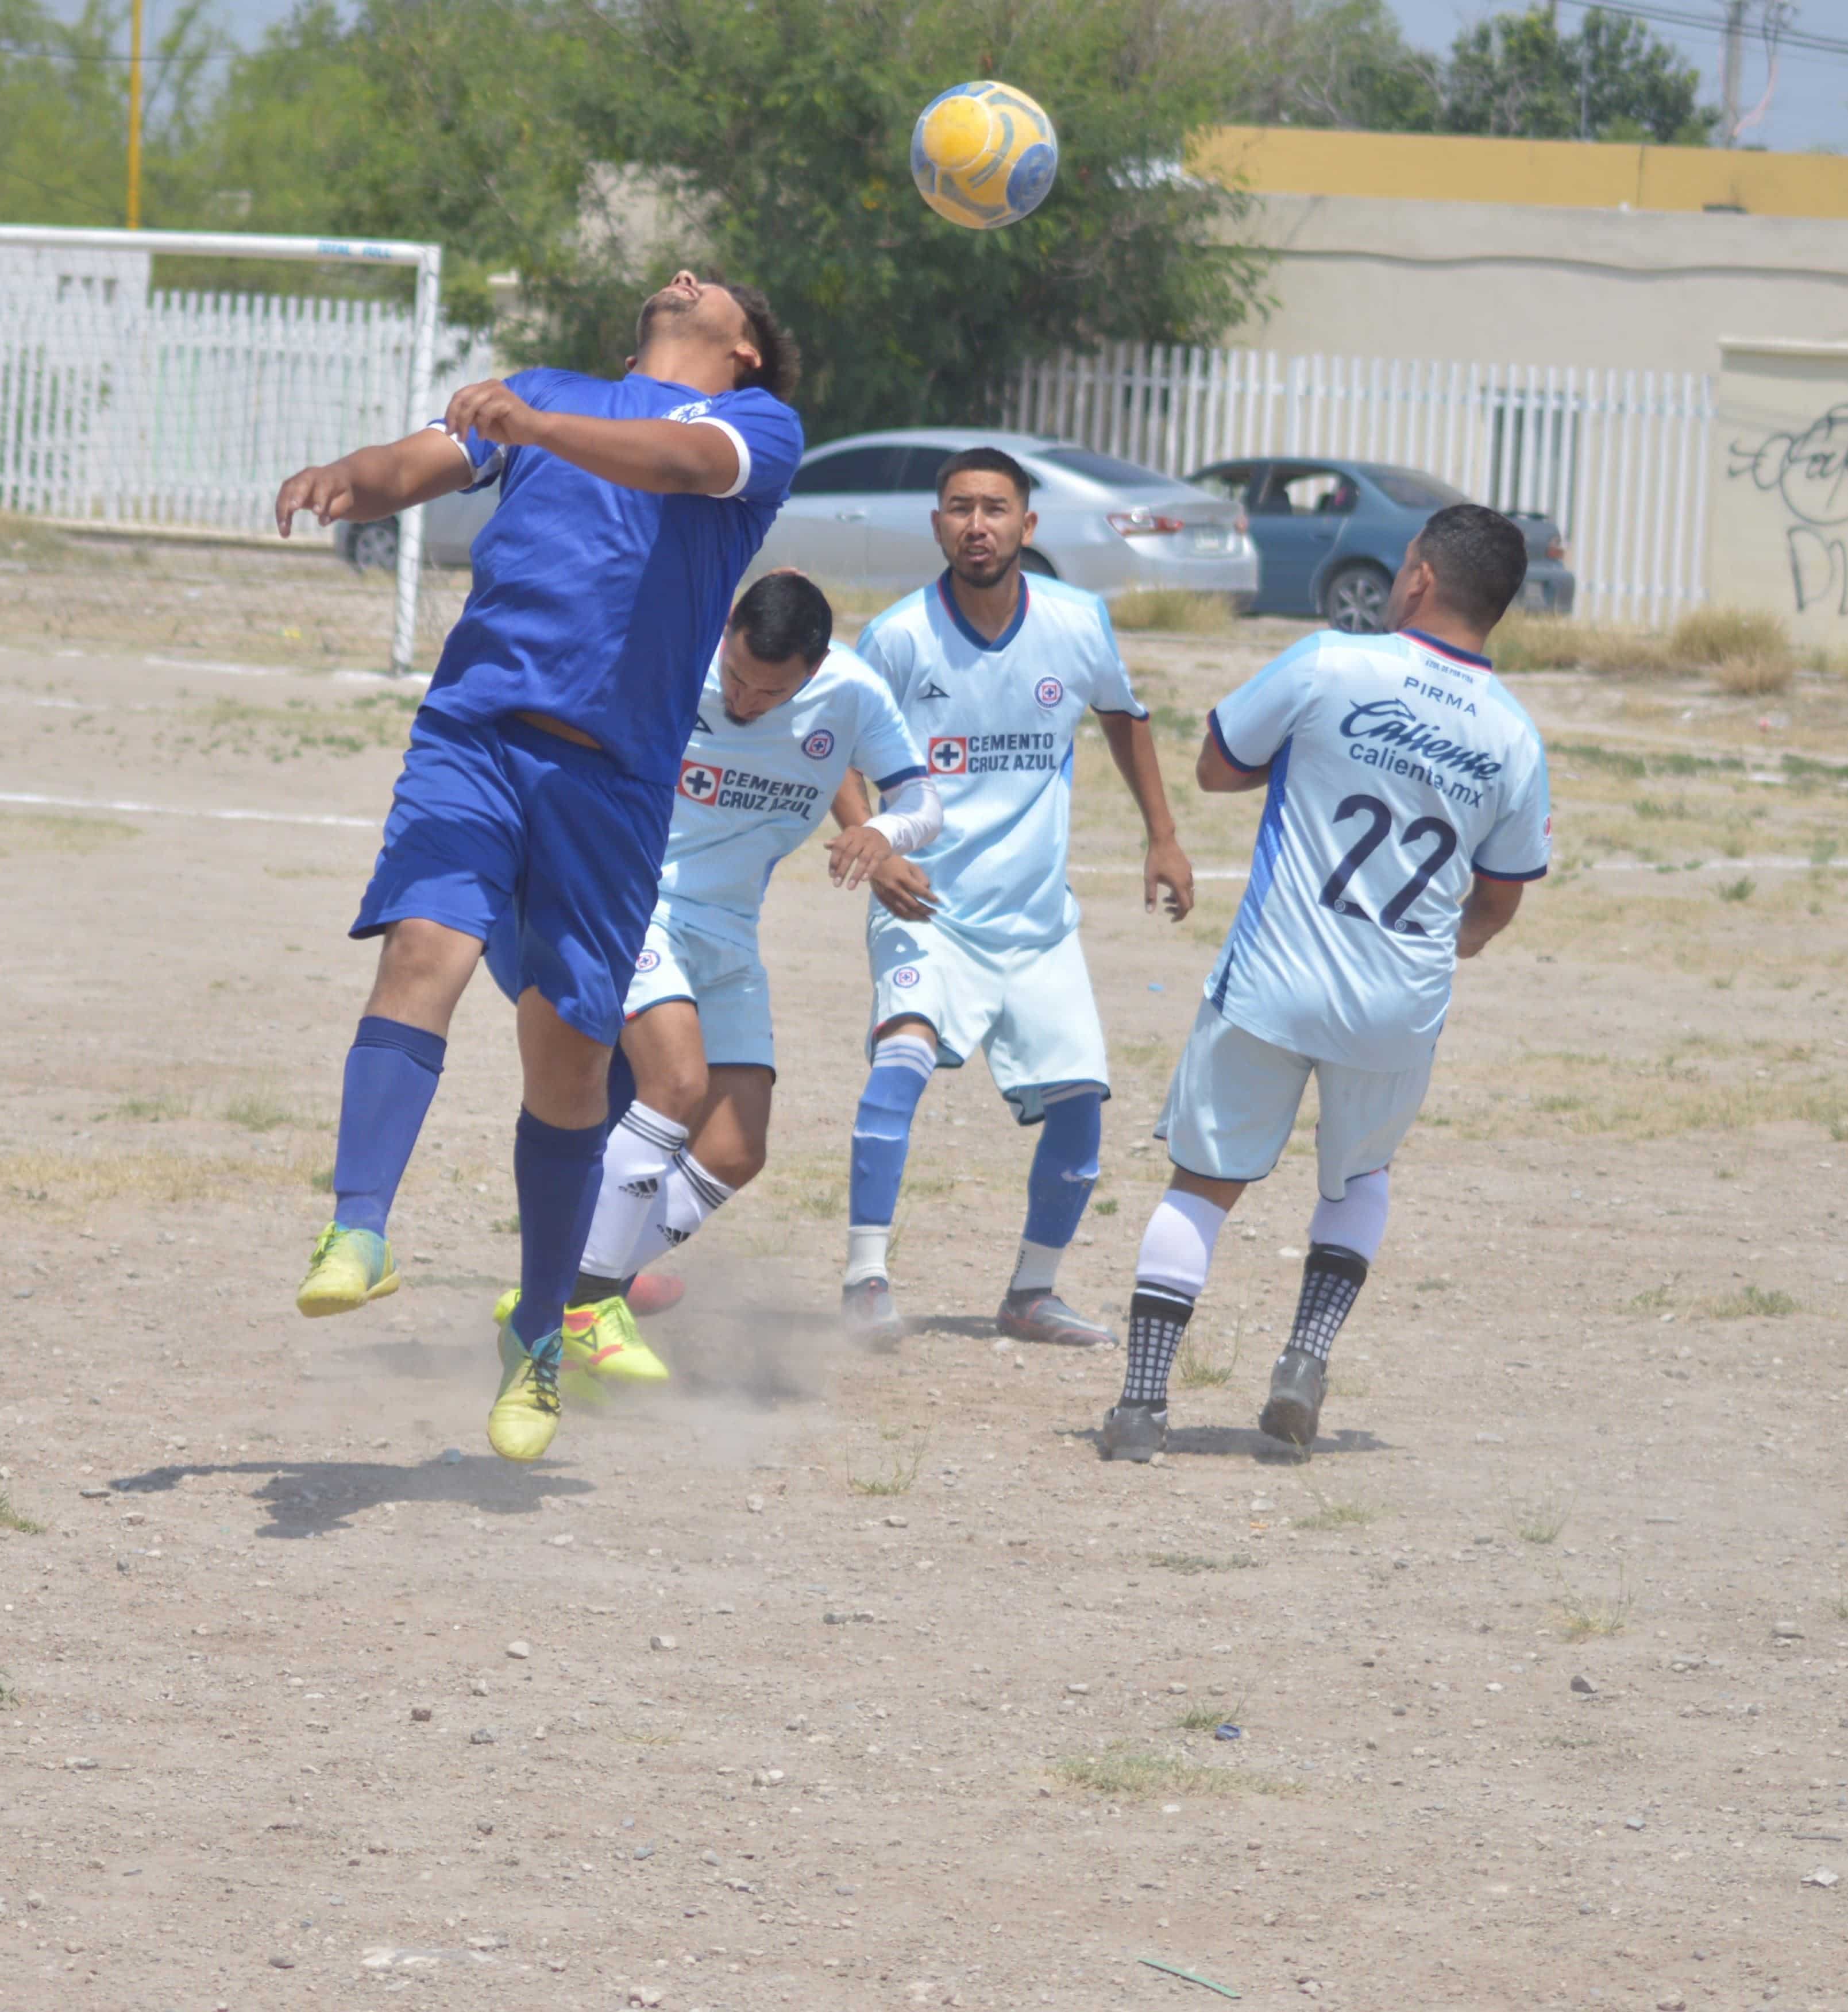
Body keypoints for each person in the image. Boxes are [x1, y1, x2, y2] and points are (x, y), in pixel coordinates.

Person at [272, 270, 803, 1465]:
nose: (683, 276)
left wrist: (526, 425)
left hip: (609, 781)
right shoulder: (543, 393)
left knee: (567, 1067)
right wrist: (351, 476)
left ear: (748, 349)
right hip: (474, 731)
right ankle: (358, 1229)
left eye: (711, 283)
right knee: (424, 948)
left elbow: (670, 466)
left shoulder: (758, 431)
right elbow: (423, 461)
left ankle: (540, 1332)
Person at [1095, 502, 1550, 1462]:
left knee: (1203, 1183)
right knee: (1358, 1178)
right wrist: (1441, 946)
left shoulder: (1331, 661)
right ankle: (1303, 1358)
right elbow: (1501, 901)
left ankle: (1141, 1405)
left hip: (1274, 979)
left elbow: (1219, 767)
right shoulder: (1515, 737)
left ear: (1418, 576)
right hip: (1399, 1002)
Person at [833, 447, 1194, 1345]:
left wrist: (1164, 834)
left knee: (1080, 1101)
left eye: (995, 508)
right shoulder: (900, 635)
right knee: (900, 1064)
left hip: (1035, 922)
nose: (977, 524)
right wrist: (875, 848)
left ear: (1027, 526)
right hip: (927, 907)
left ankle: (1031, 1292)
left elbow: (1123, 716)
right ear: (937, 525)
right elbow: (833, 747)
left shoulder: (1076, 622)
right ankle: (864, 1279)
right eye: (959, 507)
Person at [562, 570, 939, 1331]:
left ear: (816, 667)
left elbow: (924, 801)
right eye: (735, 678)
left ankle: (591, 1270)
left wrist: (879, 831)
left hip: (731, 929)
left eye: (769, 695)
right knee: (674, 1083)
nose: (742, 702)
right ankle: (578, 1307)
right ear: (726, 630)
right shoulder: (674, 652)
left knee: (735, 1148)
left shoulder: (854, 694)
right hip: (640, 906)